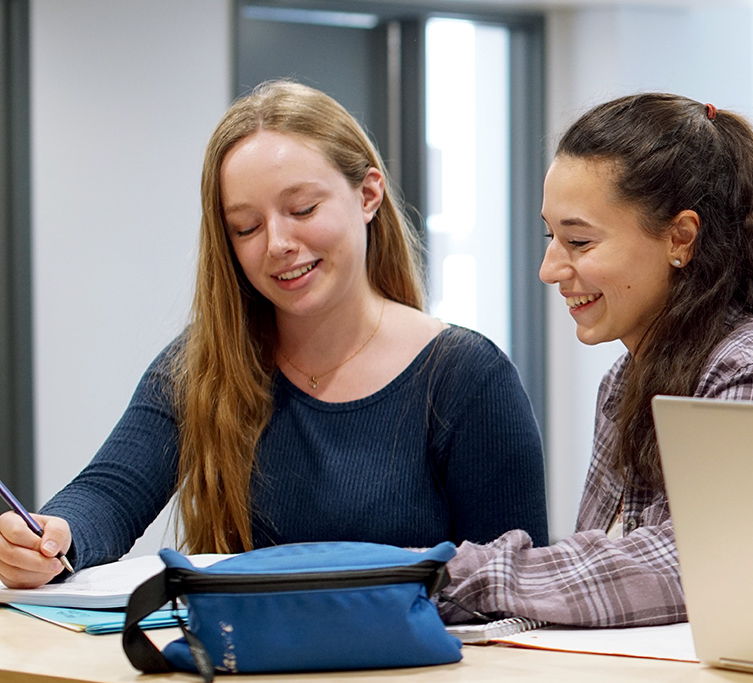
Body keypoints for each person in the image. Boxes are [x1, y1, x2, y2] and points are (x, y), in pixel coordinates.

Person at [0, 82, 546, 588]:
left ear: (368, 195)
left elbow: (518, 586)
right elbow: (110, 493)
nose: (278, 243)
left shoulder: (468, 377)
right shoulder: (205, 362)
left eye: (302, 209)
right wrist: (54, 536)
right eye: (246, 227)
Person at [435, 94, 753, 627]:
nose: (550, 268)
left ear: (680, 238)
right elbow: (604, 561)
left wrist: (467, 576)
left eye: (578, 240)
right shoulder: (625, 379)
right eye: (550, 237)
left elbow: (701, 560)